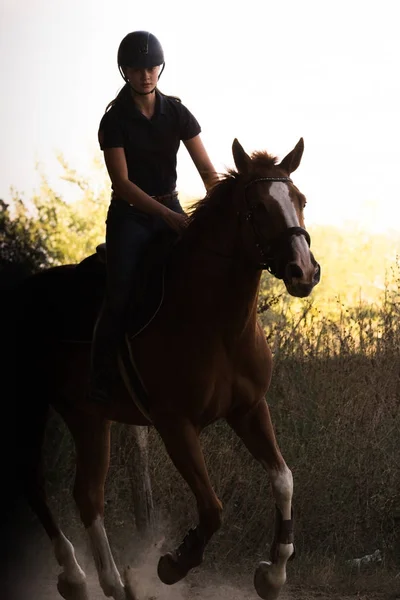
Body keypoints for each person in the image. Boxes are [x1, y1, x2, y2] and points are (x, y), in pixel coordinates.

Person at [88, 30, 219, 404]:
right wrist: (167, 216)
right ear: (124, 71)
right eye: (137, 68)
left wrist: (218, 209)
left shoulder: (177, 112)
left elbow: (208, 173)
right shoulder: (114, 120)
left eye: (151, 67)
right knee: (120, 293)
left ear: (161, 68)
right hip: (131, 216)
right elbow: (123, 185)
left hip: (171, 207)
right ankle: (101, 377)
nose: (146, 74)